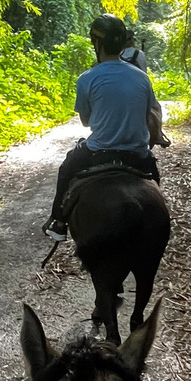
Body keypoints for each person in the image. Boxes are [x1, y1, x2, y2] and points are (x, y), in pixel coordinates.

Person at [43, 15, 162, 242]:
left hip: (100, 150)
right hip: (137, 152)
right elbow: (148, 112)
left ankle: (58, 222)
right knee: (153, 176)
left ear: (97, 44)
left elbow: (86, 122)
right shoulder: (142, 78)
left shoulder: (87, 78)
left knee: (67, 168)